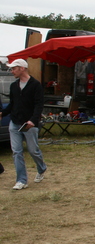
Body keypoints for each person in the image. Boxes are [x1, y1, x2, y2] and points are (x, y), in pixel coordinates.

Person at [1, 59, 47, 190]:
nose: (11, 71)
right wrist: (2, 113)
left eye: (13, 69)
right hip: (14, 123)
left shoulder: (35, 85)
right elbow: (12, 104)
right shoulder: (13, 86)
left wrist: (33, 120)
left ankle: (42, 168)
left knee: (33, 151)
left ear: (22, 68)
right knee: (16, 152)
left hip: (29, 124)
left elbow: (39, 105)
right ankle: (21, 180)